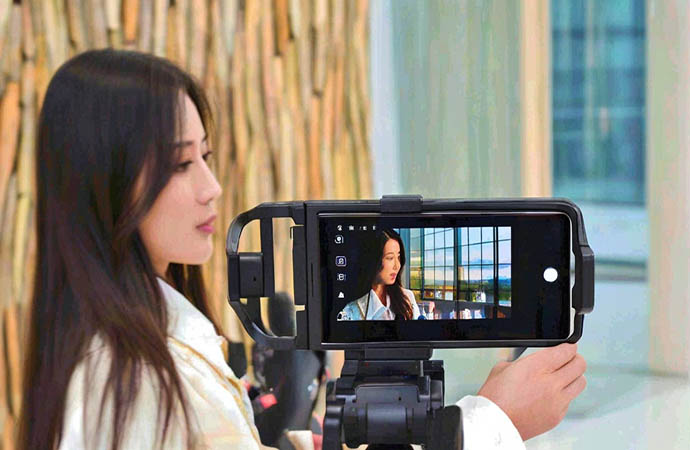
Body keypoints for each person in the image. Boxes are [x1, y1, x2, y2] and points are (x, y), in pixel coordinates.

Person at [18, 49, 586, 450]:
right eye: (179, 163)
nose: (211, 187)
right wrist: (492, 422)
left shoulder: (153, 345)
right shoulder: (128, 384)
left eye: (206, 157)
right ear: (106, 183)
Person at [337, 229, 421, 321]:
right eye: (390, 258)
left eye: (398, 257)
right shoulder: (351, 310)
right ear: (373, 260)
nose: (397, 266)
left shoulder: (407, 298)